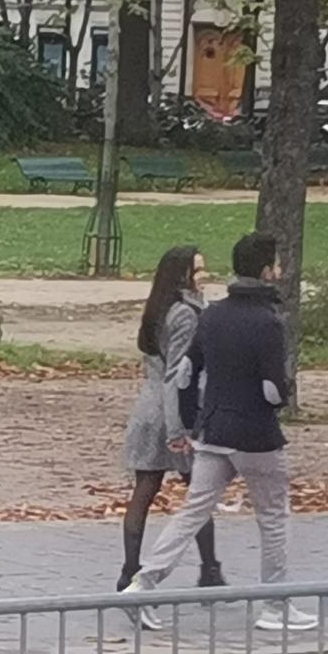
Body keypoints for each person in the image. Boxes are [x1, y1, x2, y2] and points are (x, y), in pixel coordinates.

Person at [123, 232, 316, 632]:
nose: (279, 270)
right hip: (256, 436)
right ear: (265, 271)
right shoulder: (268, 322)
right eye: (276, 264)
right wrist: (278, 398)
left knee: (193, 510)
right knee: (273, 515)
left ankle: (143, 582)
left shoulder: (212, 315)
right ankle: (274, 604)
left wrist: (192, 421)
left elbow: (185, 374)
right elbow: (275, 387)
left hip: (213, 432)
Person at [117, 245, 223, 591]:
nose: (204, 276)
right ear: (183, 276)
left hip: (147, 408)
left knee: (144, 490)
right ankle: (209, 568)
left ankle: (129, 568)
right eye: (198, 270)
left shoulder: (157, 309)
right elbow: (178, 373)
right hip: (173, 411)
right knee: (199, 492)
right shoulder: (186, 314)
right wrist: (180, 427)